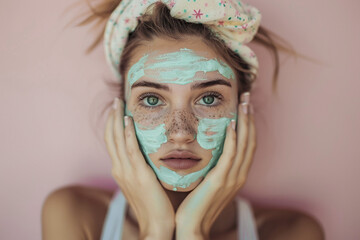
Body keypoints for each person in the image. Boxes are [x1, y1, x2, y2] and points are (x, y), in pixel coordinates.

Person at [41, 0, 325, 239]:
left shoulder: (294, 233)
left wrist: (193, 232)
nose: (180, 132)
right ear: (121, 112)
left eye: (209, 98)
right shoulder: (74, 217)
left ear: (241, 110)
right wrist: (155, 230)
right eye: (151, 100)